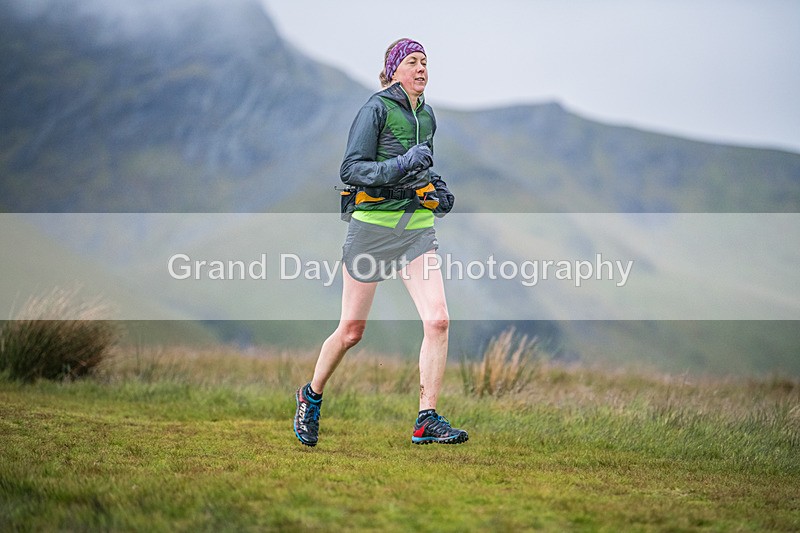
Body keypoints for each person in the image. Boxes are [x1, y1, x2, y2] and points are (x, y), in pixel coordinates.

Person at [293, 38, 467, 447]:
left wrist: (436, 189)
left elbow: (422, 167)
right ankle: (311, 395)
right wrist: (403, 165)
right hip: (371, 228)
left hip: (415, 228)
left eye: (425, 61)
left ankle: (426, 418)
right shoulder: (375, 108)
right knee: (352, 331)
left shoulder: (428, 115)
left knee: (438, 320)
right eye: (413, 61)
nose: (422, 68)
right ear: (394, 71)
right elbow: (352, 169)